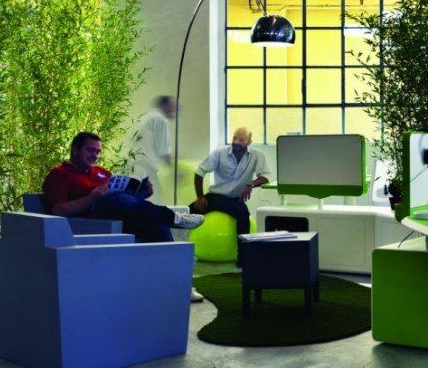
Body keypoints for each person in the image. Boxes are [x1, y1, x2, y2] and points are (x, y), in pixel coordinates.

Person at [43, 132, 206, 301]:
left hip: (120, 218)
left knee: (157, 223)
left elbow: (127, 203)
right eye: (90, 150)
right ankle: (175, 218)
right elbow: (58, 210)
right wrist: (92, 197)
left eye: (98, 152)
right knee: (118, 199)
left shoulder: (101, 172)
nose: (95, 155)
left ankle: (181, 287)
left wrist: (142, 195)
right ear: (75, 150)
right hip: (92, 220)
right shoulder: (58, 174)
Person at [190, 127, 270, 264]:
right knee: (185, 213)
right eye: (234, 138)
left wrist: (250, 185)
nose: (236, 142)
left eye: (241, 140)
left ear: (249, 142)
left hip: (234, 200)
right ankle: (173, 249)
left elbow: (265, 177)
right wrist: (200, 197)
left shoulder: (256, 156)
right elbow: (199, 172)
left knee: (243, 214)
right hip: (215, 197)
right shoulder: (219, 153)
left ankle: (243, 257)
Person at [131, 96, 174, 204]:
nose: (174, 110)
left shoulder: (146, 117)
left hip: (134, 163)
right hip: (145, 165)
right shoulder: (160, 119)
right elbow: (162, 151)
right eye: (172, 106)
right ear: (164, 105)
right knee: (156, 199)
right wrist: (175, 171)